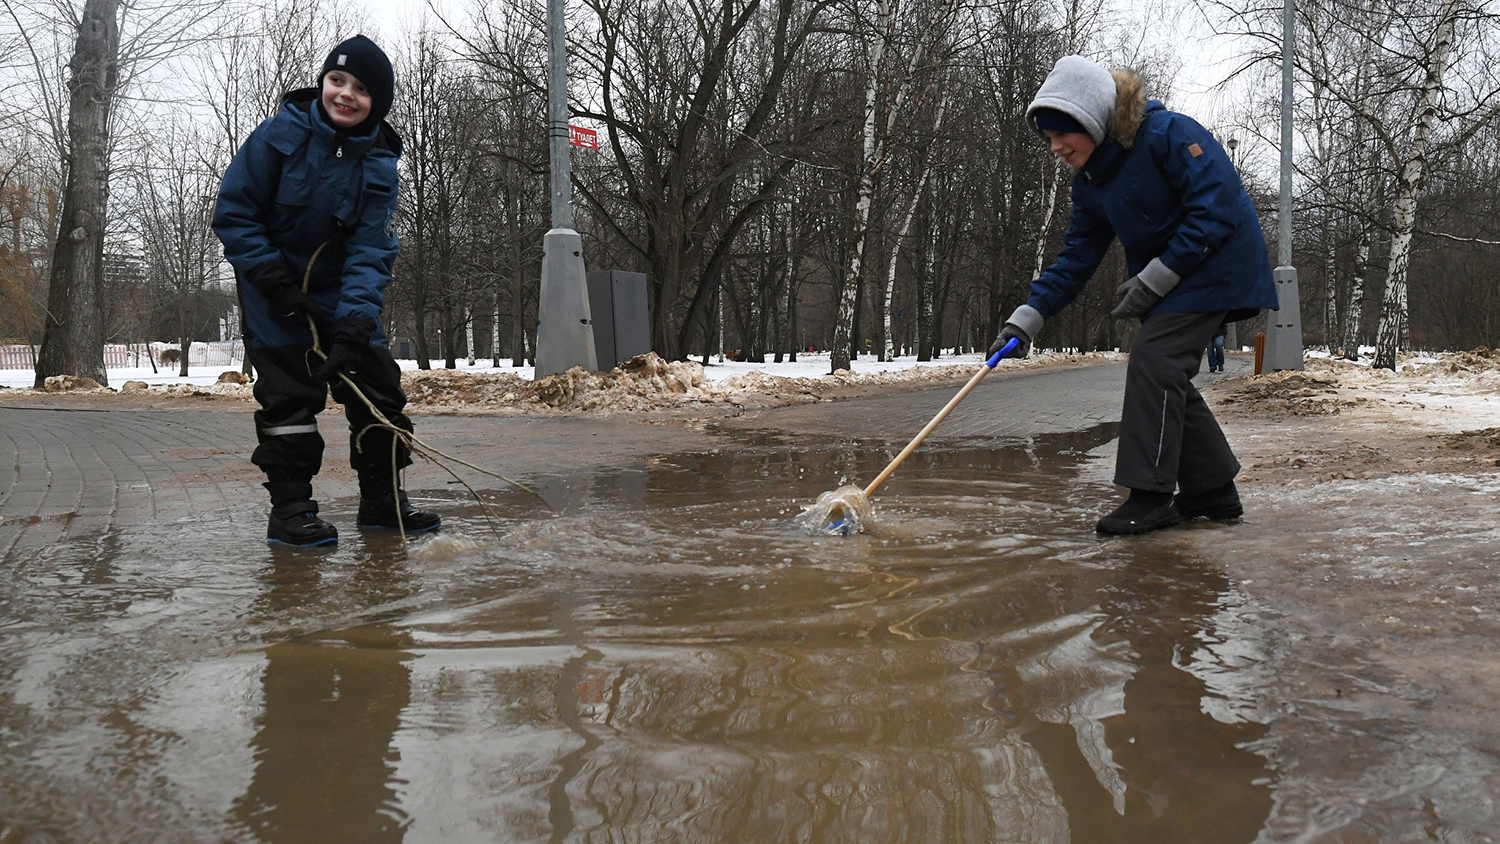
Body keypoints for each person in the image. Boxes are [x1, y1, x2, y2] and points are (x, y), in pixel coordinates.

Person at [991, 56, 1277, 535]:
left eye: (1064, 133)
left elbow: (1219, 208)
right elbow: (1076, 258)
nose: (1057, 147)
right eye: (1049, 139)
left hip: (1220, 263)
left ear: (1093, 119)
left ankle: (1150, 495)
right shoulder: (1091, 183)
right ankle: (1213, 493)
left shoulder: (1167, 135)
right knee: (1164, 375)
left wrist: (1155, 278)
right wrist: (1028, 318)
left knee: (1155, 360)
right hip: (1176, 277)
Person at [213, 35, 440, 546]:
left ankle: (383, 503)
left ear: (375, 103)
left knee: (379, 394)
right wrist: (274, 281)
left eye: (360, 89)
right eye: (337, 80)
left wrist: (357, 319)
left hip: (341, 297)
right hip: (276, 296)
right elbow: (234, 212)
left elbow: (371, 248)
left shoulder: (380, 165)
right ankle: (291, 511)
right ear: (322, 83)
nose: (345, 94)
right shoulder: (277, 136)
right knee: (289, 403)